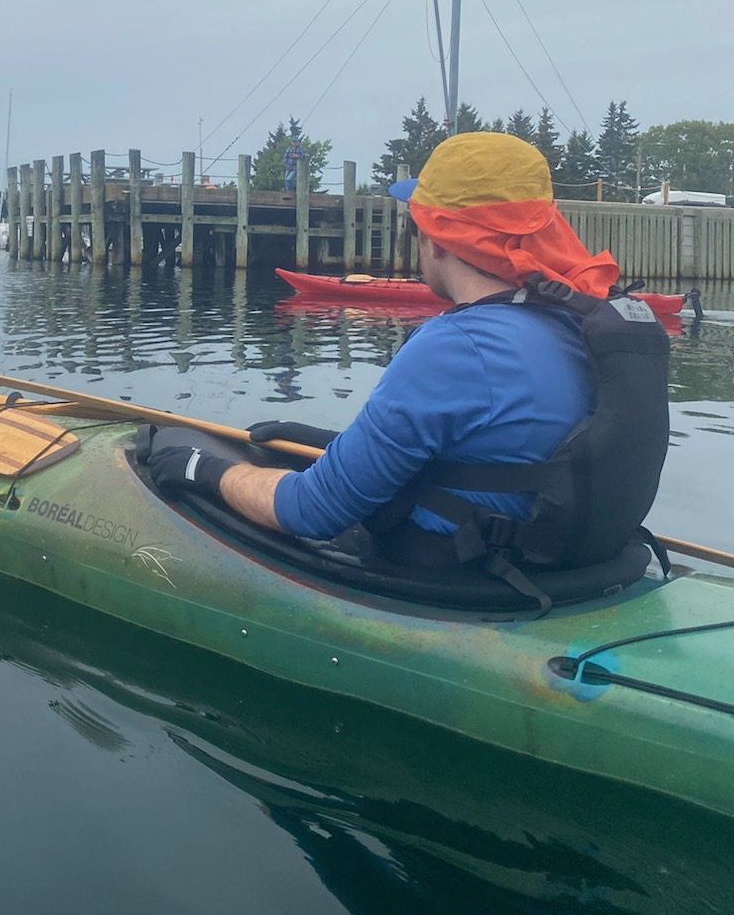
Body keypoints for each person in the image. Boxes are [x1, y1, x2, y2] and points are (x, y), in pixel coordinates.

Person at [147, 131, 670, 592]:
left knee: (175, 446)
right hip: (566, 565)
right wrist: (329, 445)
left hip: (458, 576)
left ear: (435, 238)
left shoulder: (457, 345)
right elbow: (499, 451)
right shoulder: (584, 321)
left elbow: (312, 511)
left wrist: (203, 469)